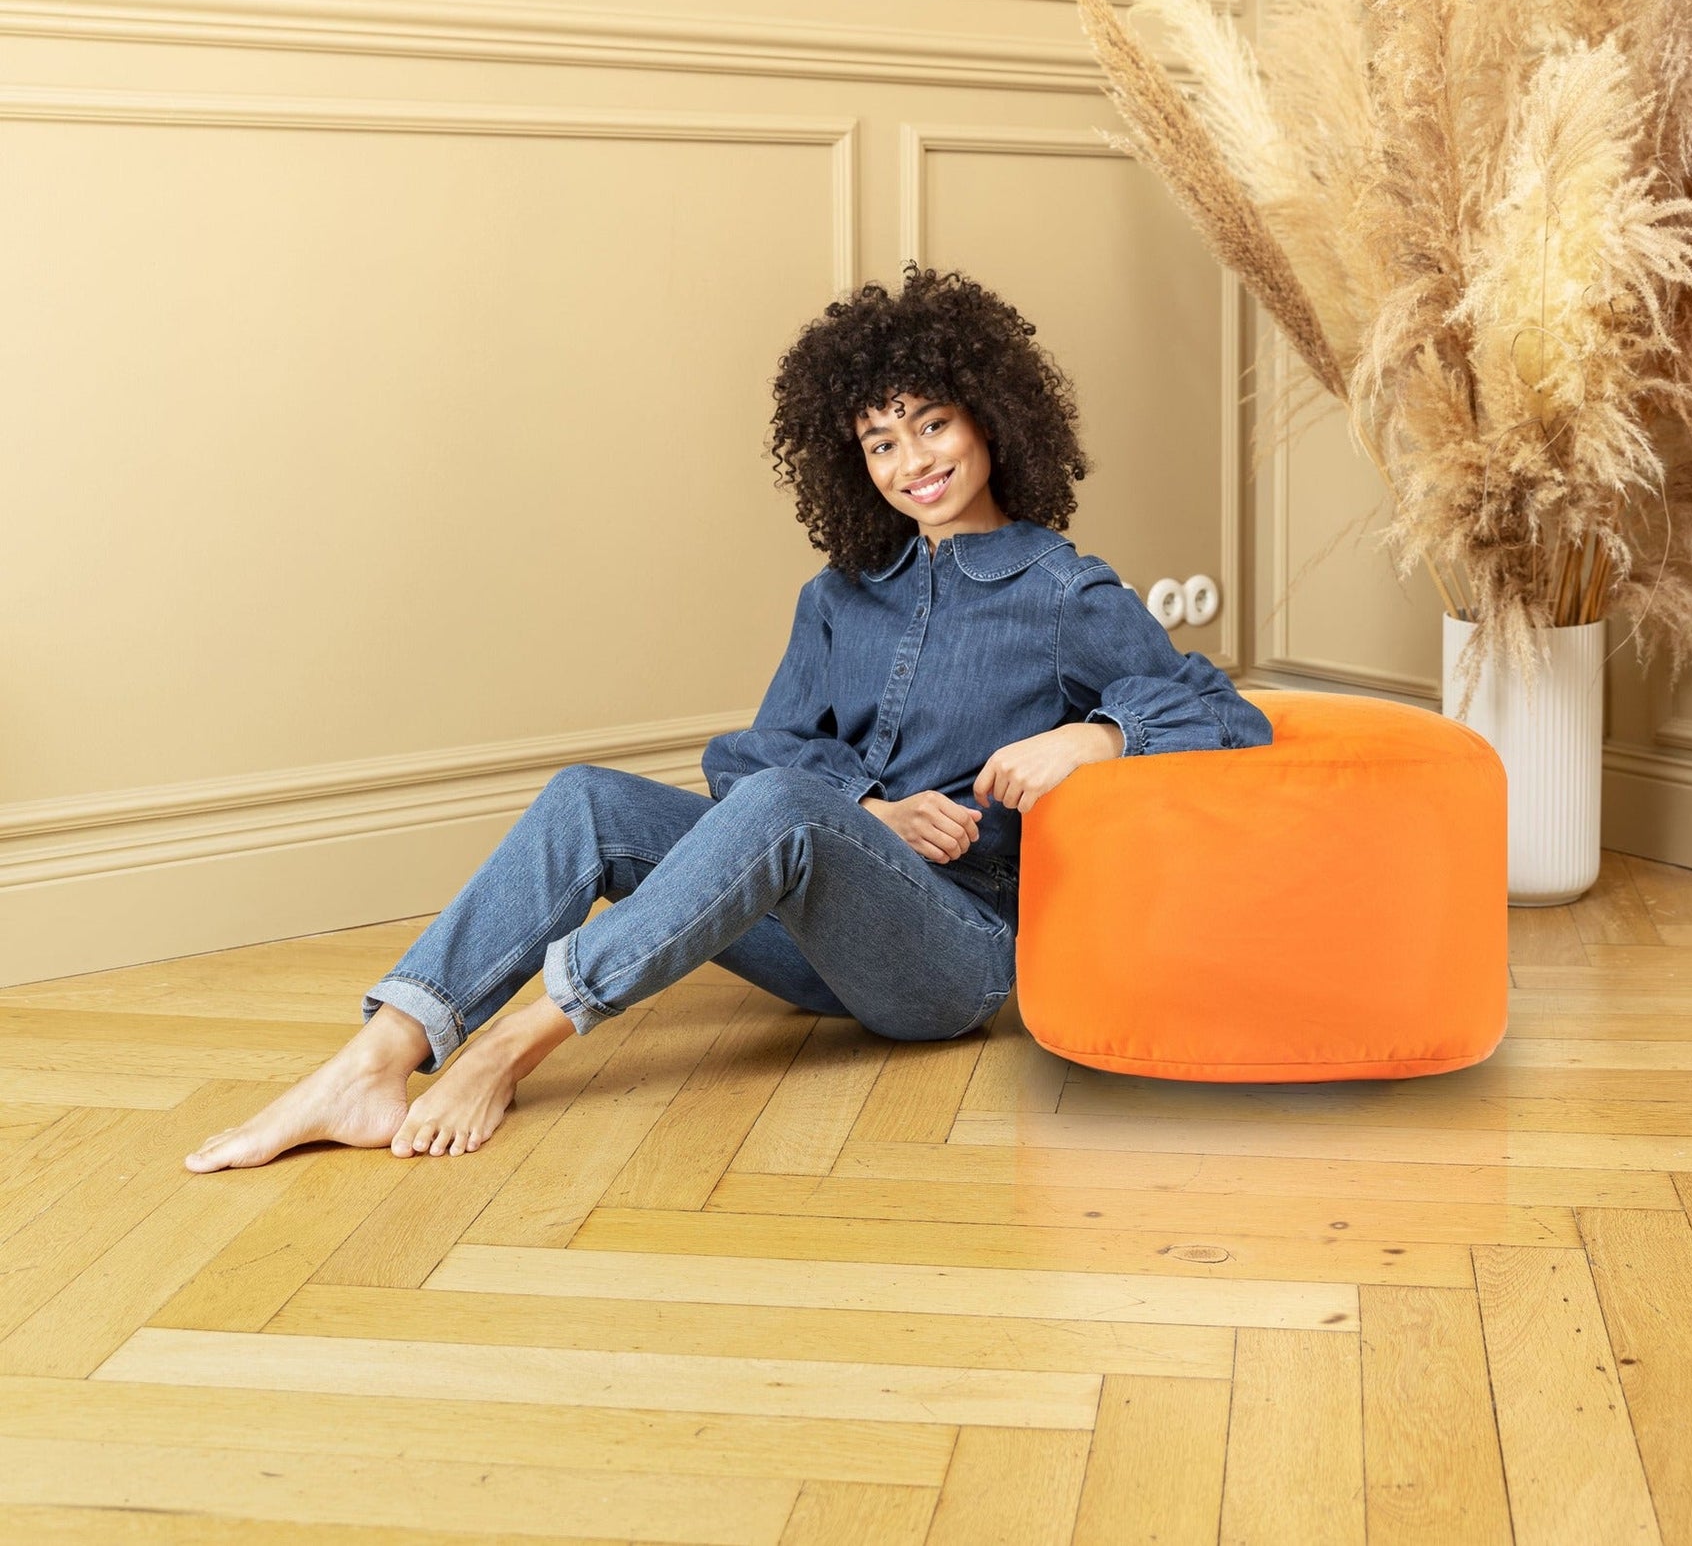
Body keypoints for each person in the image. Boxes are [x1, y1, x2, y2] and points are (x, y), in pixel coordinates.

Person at [185, 265, 1273, 1173]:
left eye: (932, 423)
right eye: (880, 441)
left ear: (990, 417)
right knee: (588, 799)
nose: (913, 462)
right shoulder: (840, 594)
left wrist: (1086, 736)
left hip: (957, 956)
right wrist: (871, 811)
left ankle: (515, 1040)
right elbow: (750, 757)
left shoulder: (1063, 590)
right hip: (814, 939)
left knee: (791, 805)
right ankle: (378, 1057)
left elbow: (1222, 711)